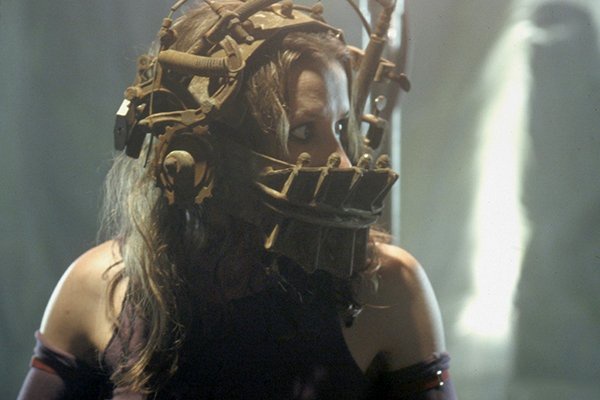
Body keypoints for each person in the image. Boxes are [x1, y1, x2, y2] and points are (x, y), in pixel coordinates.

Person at [18, 1, 456, 398]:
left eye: (341, 128)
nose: (343, 162)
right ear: (201, 154)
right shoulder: (99, 289)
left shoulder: (386, 289)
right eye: (303, 132)